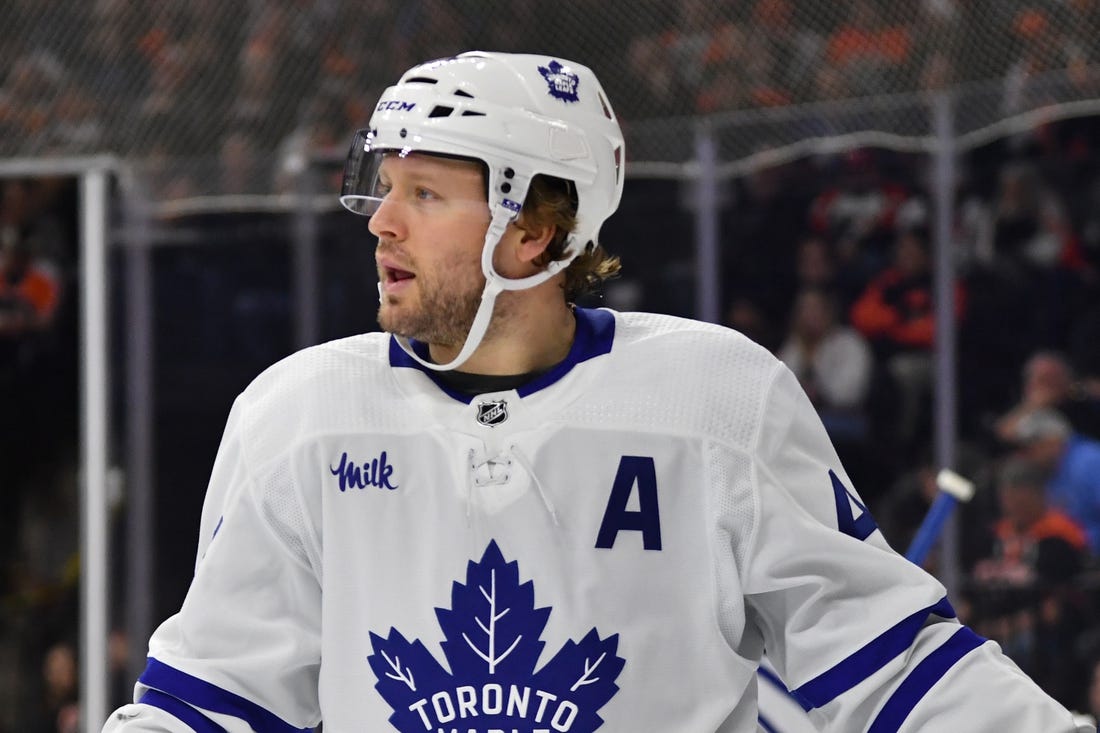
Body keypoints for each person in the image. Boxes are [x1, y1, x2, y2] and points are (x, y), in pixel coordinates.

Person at [103, 51, 1090, 732]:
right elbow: (209, 700)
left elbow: (887, 666)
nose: (380, 224)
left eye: (425, 194)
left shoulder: (714, 400)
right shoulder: (298, 416)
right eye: (383, 187)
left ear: (534, 232)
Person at [1011, 408, 1100, 555]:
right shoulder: (1048, 469)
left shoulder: (1089, 461)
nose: (1027, 454)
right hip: (1069, 556)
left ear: (1053, 440)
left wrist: (1084, 541)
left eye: (1032, 446)